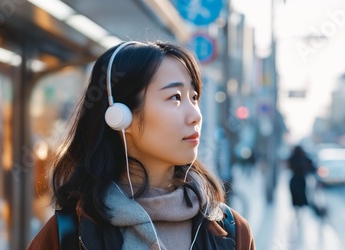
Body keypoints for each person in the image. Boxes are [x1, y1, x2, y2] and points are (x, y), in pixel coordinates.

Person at [27, 41, 255, 250]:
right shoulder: (67, 234)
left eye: (194, 97)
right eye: (175, 97)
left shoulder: (231, 232)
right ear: (121, 116)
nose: (195, 115)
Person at [287, 145, 315, 220]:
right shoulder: (303, 157)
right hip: (301, 180)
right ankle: (299, 215)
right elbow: (311, 166)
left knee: (296, 199)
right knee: (300, 198)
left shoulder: (293, 158)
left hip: (294, 180)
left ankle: (297, 214)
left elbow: (288, 166)